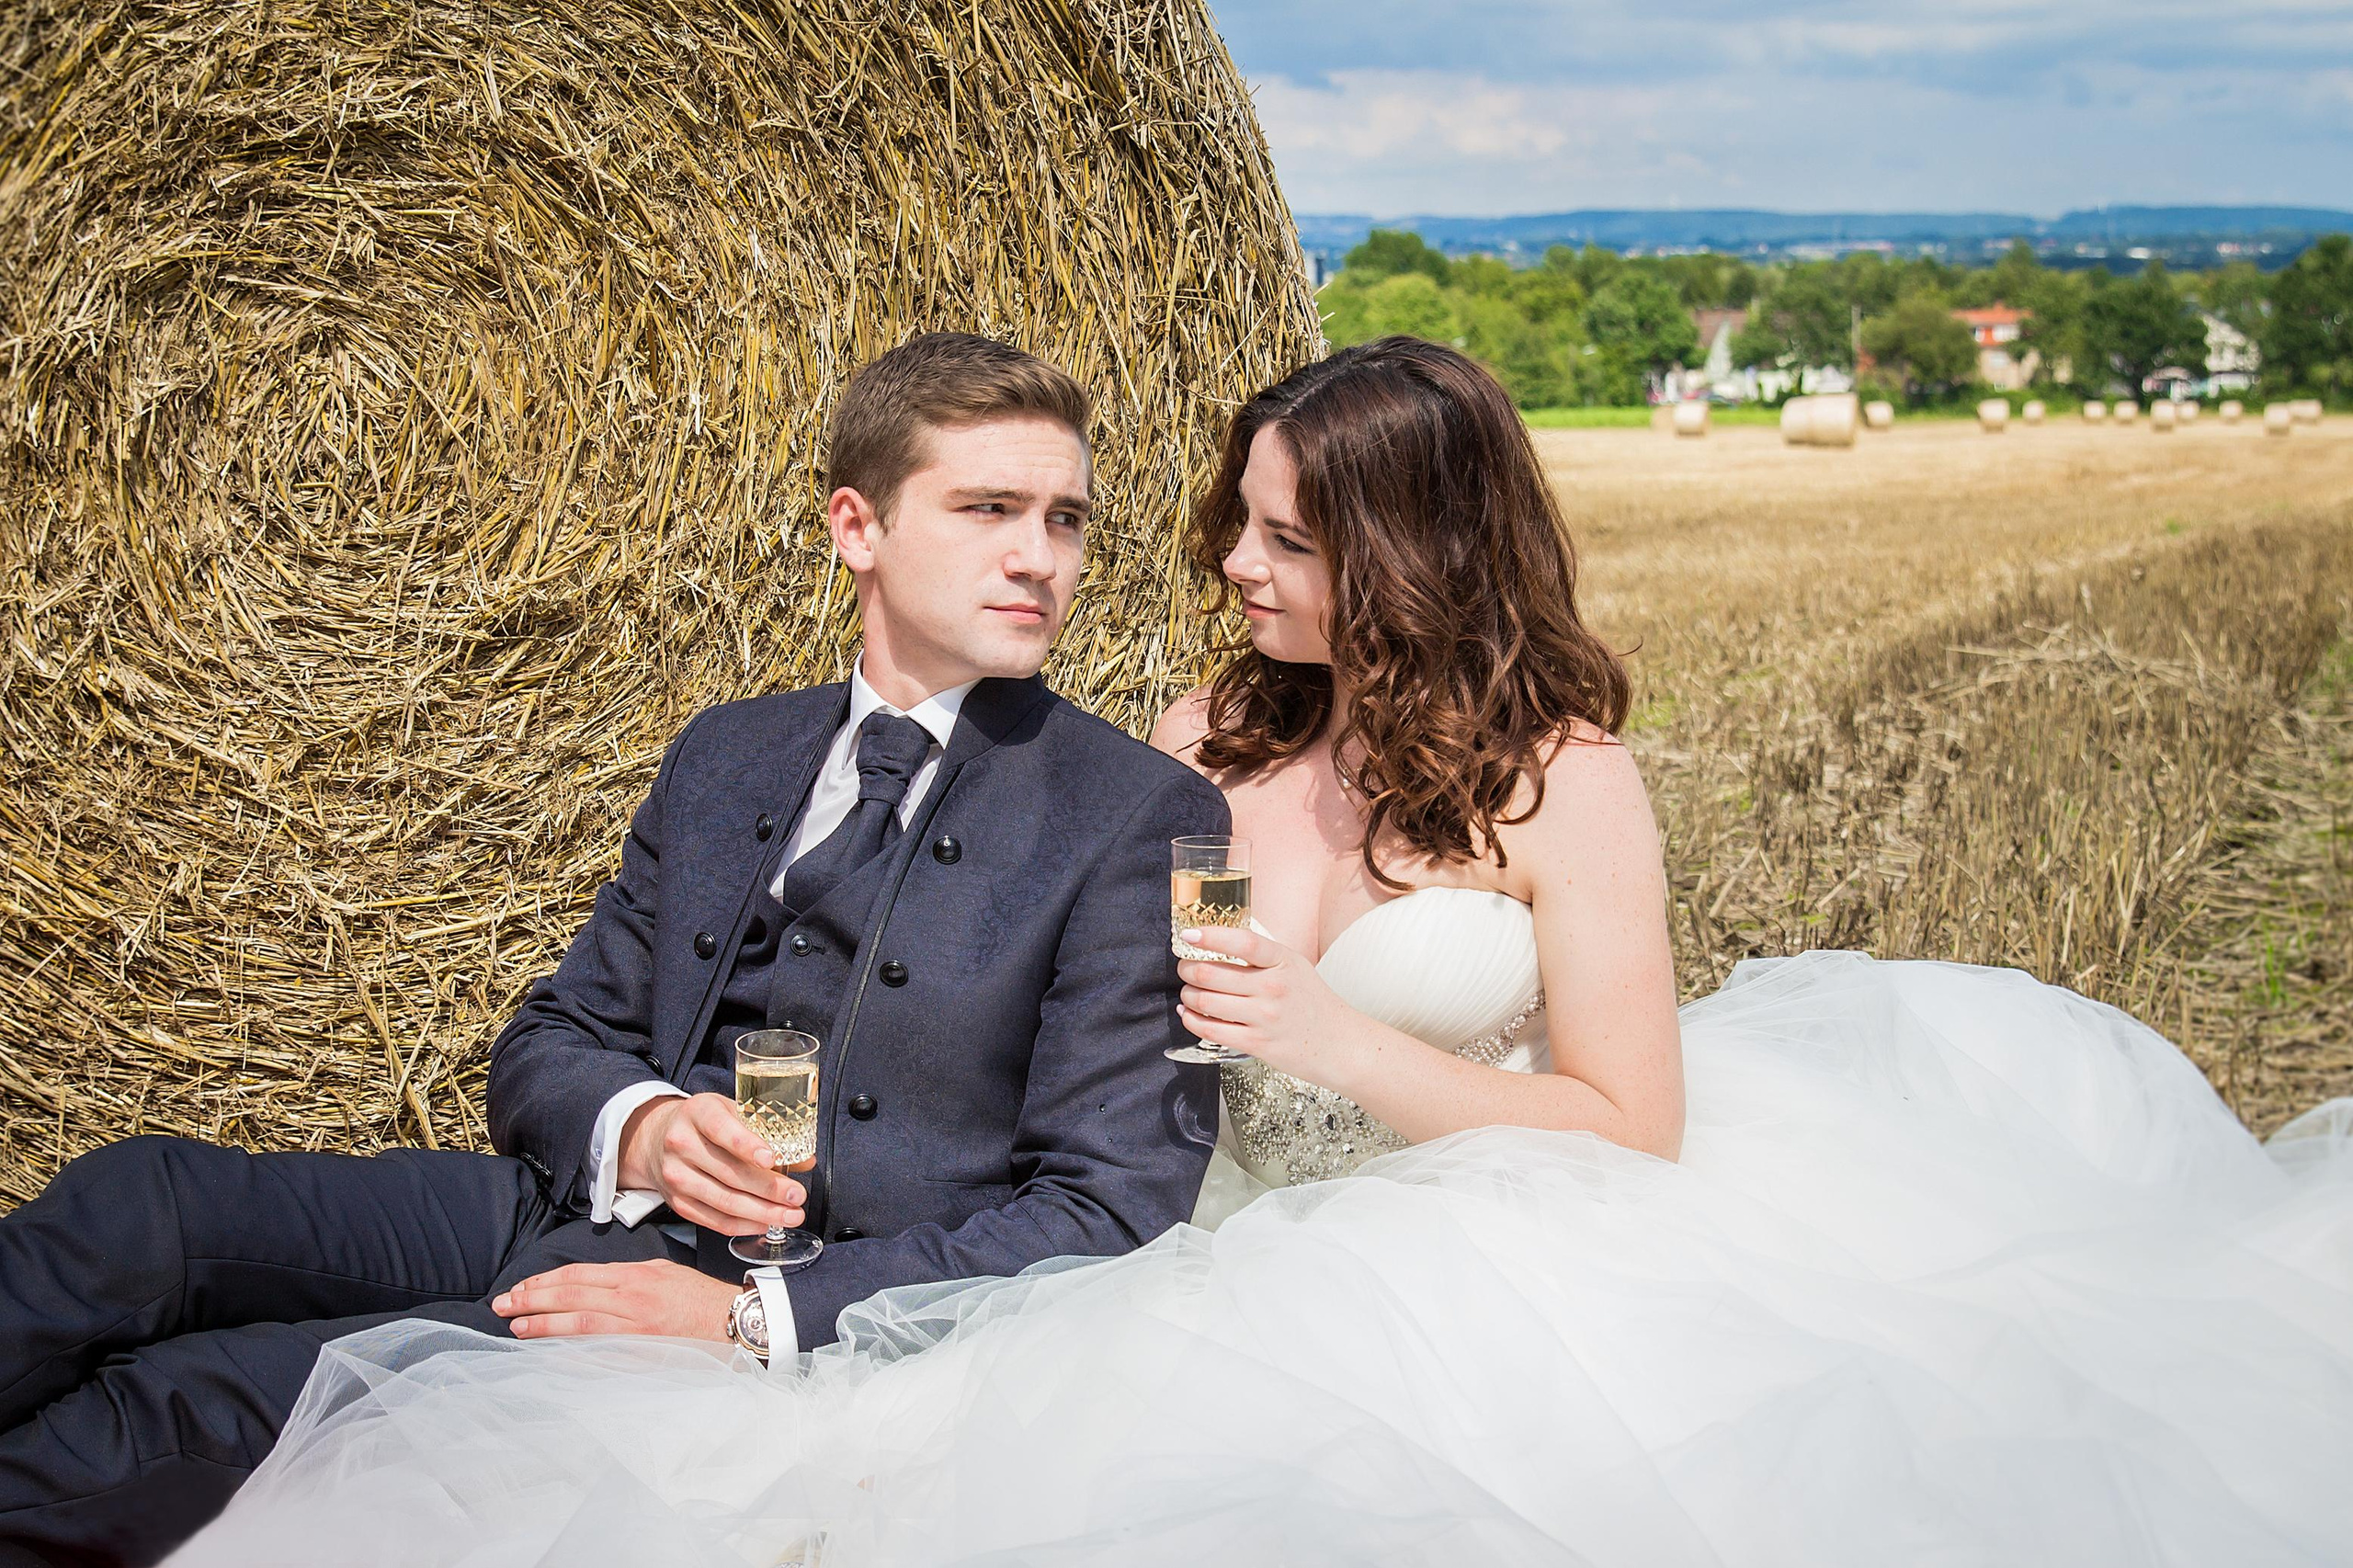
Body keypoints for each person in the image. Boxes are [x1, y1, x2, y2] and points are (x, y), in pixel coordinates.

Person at [172, 338, 2353, 1567]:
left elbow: (1629, 1125)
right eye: (1229, 515)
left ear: (1405, 553)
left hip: (1463, 1254)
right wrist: (754, 1112)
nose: (1224, 562)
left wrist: (1322, 1029)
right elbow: (972, 953)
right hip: (1160, 1213)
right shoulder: (1207, 738)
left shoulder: (1560, 785)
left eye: (1282, 537)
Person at [0, 332, 1228, 1566]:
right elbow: (548, 1038)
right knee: (138, 1205)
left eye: (1067, 519)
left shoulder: (1132, 813)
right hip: (561, 1203)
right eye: (990, 508)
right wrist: (638, 1123)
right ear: (859, 527)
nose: (1040, 557)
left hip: (780, 1309)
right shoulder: (732, 750)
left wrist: (754, 1315)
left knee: (181, 1404)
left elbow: (1111, 1204)